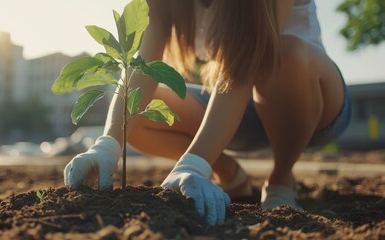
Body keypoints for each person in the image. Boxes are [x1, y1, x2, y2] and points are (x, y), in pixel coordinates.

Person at [63, 0, 352, 225]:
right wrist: (109, 143)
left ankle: (281, 178)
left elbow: (246, 60)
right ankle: (231, 175)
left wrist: (194, 165)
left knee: (284, 54)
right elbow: (144, 63)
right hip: (237, 106)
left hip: (309, 106)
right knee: (142, 113)